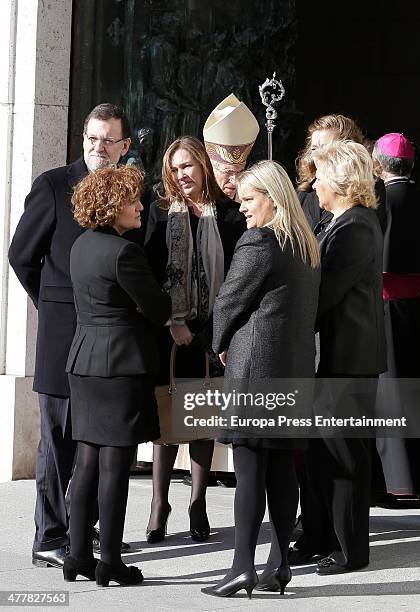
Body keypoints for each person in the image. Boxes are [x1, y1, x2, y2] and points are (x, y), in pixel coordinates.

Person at [8, 103, 134, 568]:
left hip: (107, 343)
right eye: (92, 138)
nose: (98, 147)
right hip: (63, 336)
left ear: (124, 146)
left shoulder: (127, 190)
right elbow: (22, 256)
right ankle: (50, 536)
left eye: (108, 140)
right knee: (57, 441)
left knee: (95, 439)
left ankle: (84, 530)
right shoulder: (53, 185)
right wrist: (54, 303)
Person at [202, 160, 320, 598]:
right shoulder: (306, 244)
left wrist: (217, 342)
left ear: (272, 197)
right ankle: (279, 565)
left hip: (255, 371)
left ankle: (240, 569)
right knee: (281, 472)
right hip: (292, 372)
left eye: (249, 199)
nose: (242, 207)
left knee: (250, 472)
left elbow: (229, 302)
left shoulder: (259, 242)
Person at [63, 165, 171, 586]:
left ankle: (76, 556)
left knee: (86, 460)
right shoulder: (125, 253)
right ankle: (109, 560)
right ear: (111, 207)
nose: (140, 206)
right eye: (132, 200)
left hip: (83, 363)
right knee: (114, 466)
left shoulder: (80, 246)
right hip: (120, 366)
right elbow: (159, 310)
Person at [290, 141, 386, 575]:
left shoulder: (356, 228)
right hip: (332, 359)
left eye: (322, 176)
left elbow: (324, 294)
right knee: (318, 454)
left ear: (342, 183)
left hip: (349, 360)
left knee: (345, 457)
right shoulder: (341, 222)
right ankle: (317, 535)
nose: (315, 183)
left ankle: (350, 549)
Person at [144, 135, 246, 544]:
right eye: (173, 167)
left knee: (202, 417)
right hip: (168, 334)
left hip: (212, 332)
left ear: (204, 166)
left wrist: (210, 331)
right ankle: (158, 503)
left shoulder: (228, 215)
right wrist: (173, 321)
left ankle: (198, 501)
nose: (180, 174)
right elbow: (150, 277)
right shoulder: (159, 213)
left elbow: (238, 278)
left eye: (187, 165)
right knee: (167, 422)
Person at [372, 133, 420, 498]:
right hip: (418, 308)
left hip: (385, 308)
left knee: (389, 393)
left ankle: (396, 481)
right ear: (412, 163)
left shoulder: (378, 202)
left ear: (378, 164)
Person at [296, 114, 367, 230]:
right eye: (314, 149)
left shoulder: (364, 188)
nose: (318, 155)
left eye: (325, 148)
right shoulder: (304, 191)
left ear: (347, 150)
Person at [203, 93, 259, 200]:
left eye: (240, 172)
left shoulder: (246, 208)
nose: (235, 180)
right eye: (228, 172)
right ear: (210, 168)